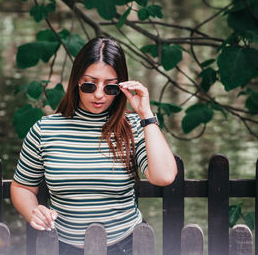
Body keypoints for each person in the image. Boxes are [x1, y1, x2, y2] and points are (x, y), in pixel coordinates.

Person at [10, 37, 177, 255]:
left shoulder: (134, 127)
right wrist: (33, 211)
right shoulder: (45, 129)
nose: (99, 94)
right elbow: (22, 187)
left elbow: (163, 176)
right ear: (77, 81)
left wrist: (145, 115)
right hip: (62, 247)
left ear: (121, 87)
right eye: (90, 84)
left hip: (125, 245)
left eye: (110, 87)